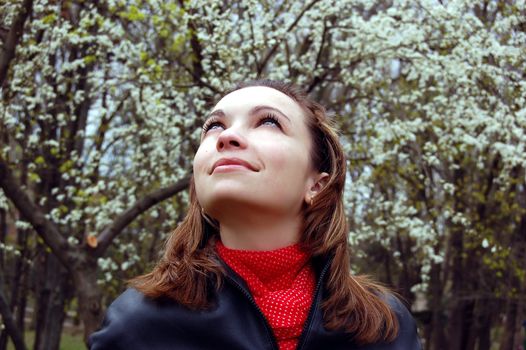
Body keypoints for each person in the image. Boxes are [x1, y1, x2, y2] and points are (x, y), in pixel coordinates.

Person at [88, 80, 422, 349]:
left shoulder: (386, 329)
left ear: (317, 184)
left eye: (268, 121)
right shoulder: (138, 325)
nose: (227, 137)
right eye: (214, 126)